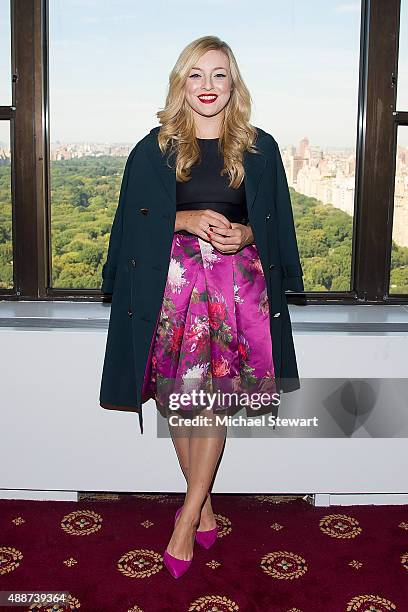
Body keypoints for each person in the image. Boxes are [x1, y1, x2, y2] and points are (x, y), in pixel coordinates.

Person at [99, 35, 304, 579]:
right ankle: (205, 503)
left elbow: (277, 224)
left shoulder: (261, 147)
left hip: (236, 293)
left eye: (218, 74)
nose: (207, 86)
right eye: (196, 75)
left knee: (209, 403)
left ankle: (186, 519)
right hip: (171, 292)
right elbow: (132, 222)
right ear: (180, 83)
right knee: (177, 403)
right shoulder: (155, 147)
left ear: (233, 82)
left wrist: (245, 233)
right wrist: (184, 220)